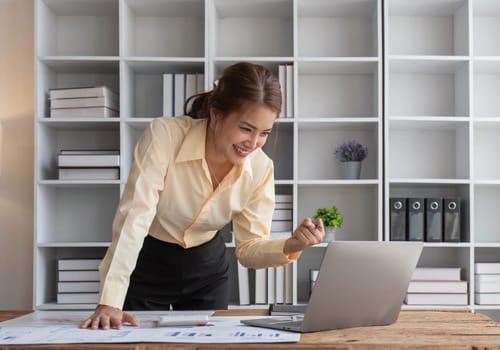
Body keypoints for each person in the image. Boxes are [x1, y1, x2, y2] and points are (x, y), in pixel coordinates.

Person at [81, 62, 324, 330]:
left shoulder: (261, 168)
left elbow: (248, 249)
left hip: (206, 269)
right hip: (148, 262)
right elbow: (134, 217)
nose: (253, 143)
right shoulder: (165, 135)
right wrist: (109, 301)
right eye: (246, 128)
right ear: (216, 114)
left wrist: (291, 245)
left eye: (264, 132)